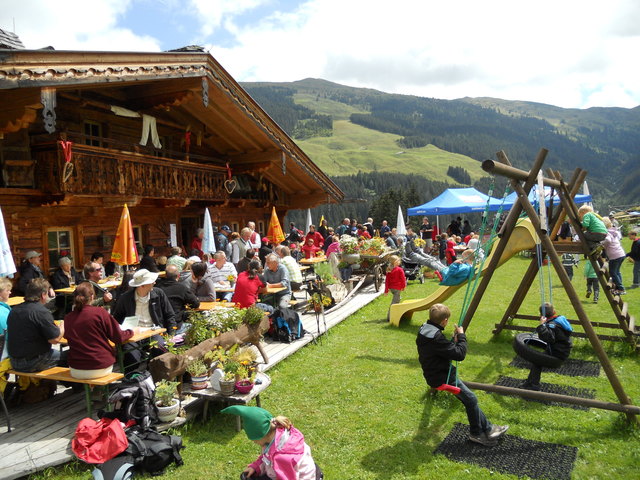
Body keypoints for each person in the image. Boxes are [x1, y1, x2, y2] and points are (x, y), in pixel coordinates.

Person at [416, 303, 508, 446]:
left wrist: (452, 341)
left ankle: (489, 429)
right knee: (471, 399)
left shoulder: (425, 329)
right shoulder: (436, 338)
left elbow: (440, 350)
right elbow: (459, 354)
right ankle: (476, 434)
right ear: (444, 321)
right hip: (442, 378)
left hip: (434, 373)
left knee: (469, 400)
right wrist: (462, 336)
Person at [63, 282, 140, 379]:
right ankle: (98, 389)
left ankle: (92, 389)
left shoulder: (68, 317)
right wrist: (132, 331)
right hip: (100, 366)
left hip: (76, 369)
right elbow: (118, 337)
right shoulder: (99, 313)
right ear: (92, 297)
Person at [221, 405, 321, 480]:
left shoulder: (282, 457)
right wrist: (255, 467)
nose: (253, 442)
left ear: (262, 435)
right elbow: (266, 456)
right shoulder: (276, 436)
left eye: (254, 439)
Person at [111, 269, 175, 369]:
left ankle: (156, 378)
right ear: (142, 285)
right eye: (151, 281)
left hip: (154, 331)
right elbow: (117, 318)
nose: (154, 282)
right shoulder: (125, 298)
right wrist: (123, 331)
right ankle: (131, 380)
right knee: (131, 356)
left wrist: (171, 336)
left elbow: (170, 315)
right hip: (134, 334)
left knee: (159, 349)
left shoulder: (158, 294)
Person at [7, 278, 64, 372]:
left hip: (14, 361)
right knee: (72, 356)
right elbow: (55, 339)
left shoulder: (14, 310)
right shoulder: (41, 312)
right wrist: (62, 327)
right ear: (43, 295)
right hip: (33, 362)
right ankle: (74, 385)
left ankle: (45, 385)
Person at [521, 303, 573, 391]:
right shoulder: (560, 320)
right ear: (554, 311)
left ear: (542, 315)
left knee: (537, 362)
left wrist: (541, 325)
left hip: (557, 355)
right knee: (537, 361)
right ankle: (530, 382)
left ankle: (534, 385)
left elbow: (549, 338)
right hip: (562, 351)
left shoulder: (552, 325)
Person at [157, 264, 200, 332]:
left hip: (160, 325)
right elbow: (196, 303)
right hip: (177, 325)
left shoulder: (158, 288)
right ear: (178, 276)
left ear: (165, 275)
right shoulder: (181, 288)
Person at [602, 217, 626, 295]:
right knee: (617, 271)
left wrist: (602, 243)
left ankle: (621, 288)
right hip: (620, 254)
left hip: (615, 255)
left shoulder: (608, 232)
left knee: (613, 272)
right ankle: (619, 287)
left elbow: (608, 240)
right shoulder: (613, 231)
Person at [384, 255, 406, 322]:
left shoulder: (389, 269)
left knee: (397, 299)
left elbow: (387, 281)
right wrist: (403, 286)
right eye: (398, 260)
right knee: (394, 303)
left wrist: (386, 290)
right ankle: (389, 317)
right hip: (397, 288)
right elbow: (403, 279)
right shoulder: (399, 270)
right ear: (395, 262)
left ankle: (396, 314)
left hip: (392, 289)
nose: (399, 262)